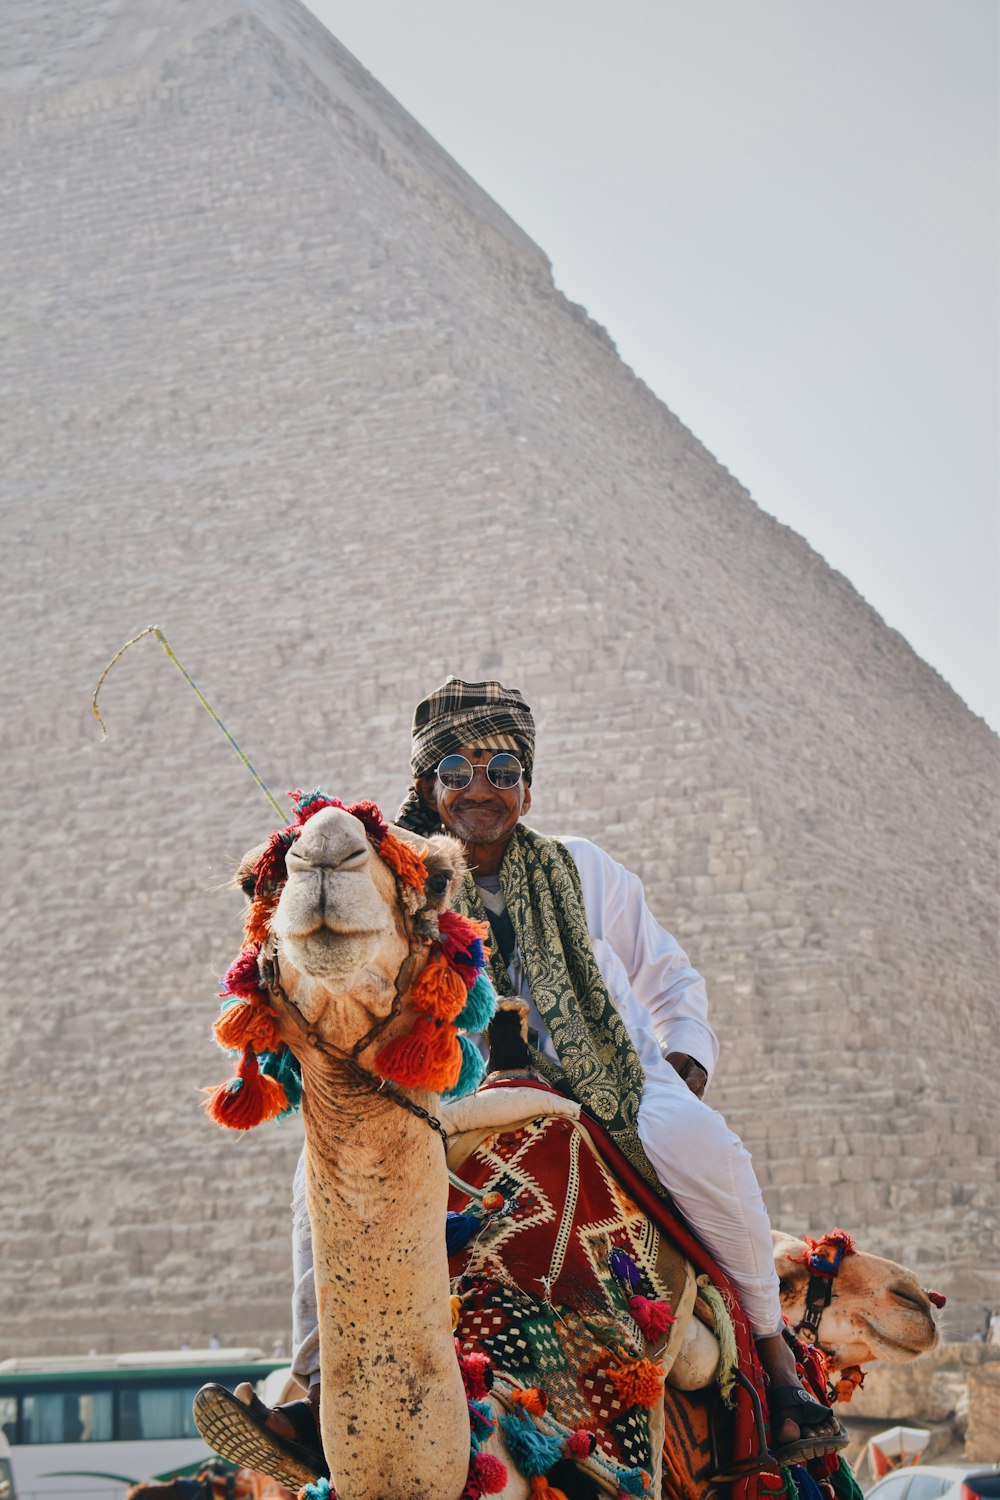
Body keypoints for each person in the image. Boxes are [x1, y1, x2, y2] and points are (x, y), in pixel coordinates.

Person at [213, 678, 846, 1479]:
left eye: (502, 770)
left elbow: (669, 976)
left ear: (528, 785)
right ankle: (312, 1386)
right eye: (455, 771)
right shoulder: (400, 883)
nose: (481, 790)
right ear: (424, 787)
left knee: (700, 1143)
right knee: (323, 1172)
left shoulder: (582, 871)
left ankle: (774, 1360)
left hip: (604, 1078)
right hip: (453, 1086)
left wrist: (684, 1056)